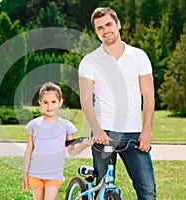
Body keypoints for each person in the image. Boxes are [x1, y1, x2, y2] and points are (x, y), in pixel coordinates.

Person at [78, 7, 156, 200]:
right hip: (104, 133)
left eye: (109, 24)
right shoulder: (90, 61)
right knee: (103, 190)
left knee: (148, 191)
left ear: (118, 24)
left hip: (134, 134)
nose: (105, 31)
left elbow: (148, 95)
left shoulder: (139, 57)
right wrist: (96, 129)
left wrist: (146, 131)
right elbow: (86, 99)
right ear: (96, 32)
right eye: (99, 28)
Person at [22, 82, 93, 200]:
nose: (49, 106)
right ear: (40, 103)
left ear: (60, 102)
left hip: (54, 174)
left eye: (53, 102)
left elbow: (71, 151)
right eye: (45, 102)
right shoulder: (34, 125)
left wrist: (84, 145)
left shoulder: (66, 126)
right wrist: (25, 172)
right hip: (35, 173)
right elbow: (29, 149)